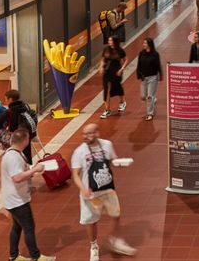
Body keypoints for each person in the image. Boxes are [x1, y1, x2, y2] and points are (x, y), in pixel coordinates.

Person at [71, 124, 135, 259]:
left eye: (89, 134)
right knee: (91, 220)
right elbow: (75, 174)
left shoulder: (107, 145)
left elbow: (112, 161)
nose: (85, 137)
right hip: (90, 193)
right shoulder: (79, 152)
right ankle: (93, 246)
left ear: (97, 133)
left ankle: (114, 241)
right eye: (84, 134)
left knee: (115, 215)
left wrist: (120, 163)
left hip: (107, 189)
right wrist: (83, 189)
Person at [0, 128, 54, 261]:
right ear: (24, 140)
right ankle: (36, 256)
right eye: (28, 138)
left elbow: (20, 171)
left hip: (14, 198)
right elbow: (17, 177)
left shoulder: (14, 153)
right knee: (29, 227)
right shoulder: (13, 157)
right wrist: (35, 169)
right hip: (17, 201)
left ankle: (13, 255)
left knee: (17, 226)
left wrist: (31, 169)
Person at [4, 89, 36, 164]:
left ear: (10, 99)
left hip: (19, 136)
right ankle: (29, 168)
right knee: (27, 153)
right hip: (28, 132)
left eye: (6, 99)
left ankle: (24, 171)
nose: (5, 101)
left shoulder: (13, 109)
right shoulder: (25, 105)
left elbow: (12, 125)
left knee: (19, 155)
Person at [99, 37, 127, 119]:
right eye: (108, 40)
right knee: (106, 90)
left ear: (115, 41)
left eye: (111, 40)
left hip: (116, 72)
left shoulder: (120, 50)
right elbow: (103, 59)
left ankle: (122, 101)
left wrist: (122, 69)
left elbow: (125, 60)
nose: (109, 42)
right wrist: (101, 67)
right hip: (107, 72)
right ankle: (107, 110)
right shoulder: (106, 49)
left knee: (117, 87)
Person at [136, 38, 161, 121]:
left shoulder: (155, 54)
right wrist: (138, 74)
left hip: (152, 77)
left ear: (149, 44)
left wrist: (160, 74)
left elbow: (158, 65)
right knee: (143, 96)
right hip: (144, 77)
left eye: (145, 43)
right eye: (143, 43)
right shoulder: (141, 53)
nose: (144, 45)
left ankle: (150, 113)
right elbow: (139, 64)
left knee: (149, 97)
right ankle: (152, 101)